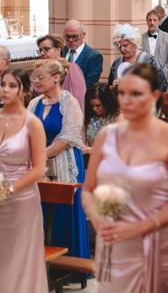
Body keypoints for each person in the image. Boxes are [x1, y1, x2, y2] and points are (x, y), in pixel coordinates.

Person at [82, 63, 168, 292]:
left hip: (152, 239)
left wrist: (142, 226)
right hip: (113, 239)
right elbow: (87, 189)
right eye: (122, 93)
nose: (127, 100)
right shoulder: (107, 135)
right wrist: (98, 221)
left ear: (154, 95)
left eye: (136, 94)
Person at [28, 59, 89, 260]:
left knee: (64, 212)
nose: (36, 81)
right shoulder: (34, 103)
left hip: (64, 161)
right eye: (35, 78)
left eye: (40, 77)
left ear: (56, 78)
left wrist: (39, 155)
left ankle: (70, 263)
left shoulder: (69, 103)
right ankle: (41, 262)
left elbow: (67, 138)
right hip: (38, 164)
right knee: (40, 211)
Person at [0, 69, 48, 293]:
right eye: (3, 84)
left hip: (21, 200)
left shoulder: (33, 123)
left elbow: (38, 169)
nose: (5, 90)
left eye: (12, 86)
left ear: (23, 90)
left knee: (18, 258)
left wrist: (8, 189)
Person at [107, 23, 168, 92]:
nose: (122, 49)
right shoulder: (116, 64)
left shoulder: (149, 61)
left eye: (125, 45)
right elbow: (109, 88)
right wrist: (113, 88)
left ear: (134, 43)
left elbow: (162, 87)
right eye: (119, 46)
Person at [37, 33, 86, 110]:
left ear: (58, 50)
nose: (42, 53)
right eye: (40, 50)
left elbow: (78, 98)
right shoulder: (40, 70)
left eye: (46, 49)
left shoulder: (71, 68)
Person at [62, 19, 104, 88]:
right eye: (67, 36)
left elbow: (90, 84)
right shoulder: (61, 52)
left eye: (75, 36)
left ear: (83, 35)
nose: (71, 40)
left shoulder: (94, 56)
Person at [140, 9, 168, 89]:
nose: (152, 23)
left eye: (155, 20)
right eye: (149, 20)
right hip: (146, 81)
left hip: (165, 81)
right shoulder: (140, 38)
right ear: (146, 21)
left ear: (159, 21)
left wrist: (161, 75)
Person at [82, 83, 118, 154]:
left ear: (107, 103)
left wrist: (90, 150)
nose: (95, 109)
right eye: (92, 106)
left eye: (98, 105)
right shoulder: (89, 117)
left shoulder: (119, 119)